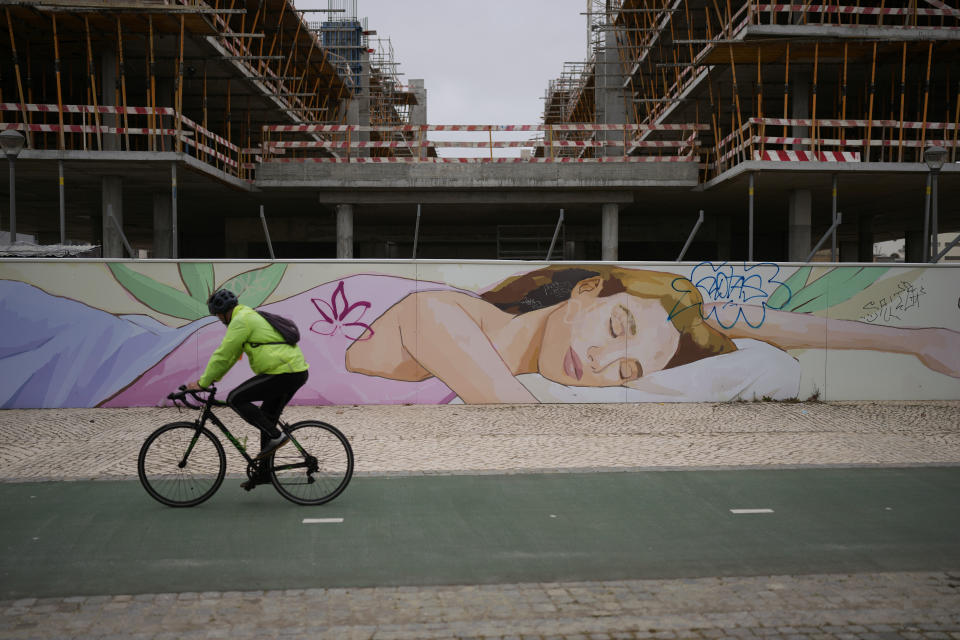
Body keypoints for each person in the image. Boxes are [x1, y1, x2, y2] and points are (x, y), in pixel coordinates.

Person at [345, 265, 960, 403]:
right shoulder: (438, 314)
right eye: (616, 327)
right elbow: (516, 415)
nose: (603, 360)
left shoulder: (515, 355)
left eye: (629, 370)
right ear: (587, 290)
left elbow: (728, 318)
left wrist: (916, 340)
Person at [187, 289, 309, 488]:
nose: (218, 319)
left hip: (285, 372)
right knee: (266, 418)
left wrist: (203, 383)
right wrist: (212, 378)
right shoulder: (246, 315)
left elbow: (223, 354)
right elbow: (232, 356)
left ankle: (276, 435)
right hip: (290, 371)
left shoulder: (241, 320)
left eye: (217, 315)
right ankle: (264, 472)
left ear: (224, 312)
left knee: (235, 398)